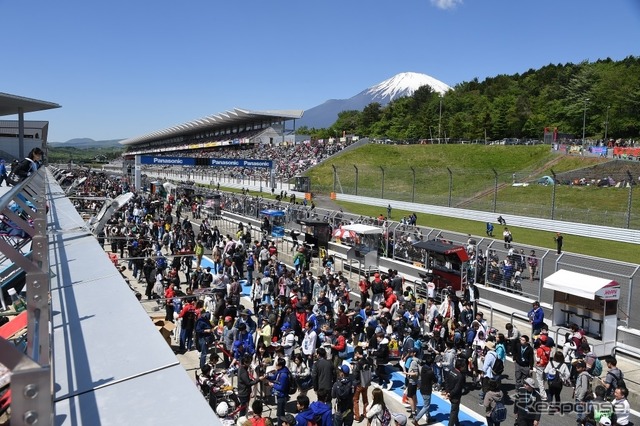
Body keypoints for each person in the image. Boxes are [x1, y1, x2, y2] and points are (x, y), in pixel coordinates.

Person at [266, 358, 290, 426]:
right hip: (279, 394)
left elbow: (281, 387)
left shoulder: (284, 375)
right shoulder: (280, 371)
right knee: (280, 412)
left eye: (276, 364)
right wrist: (267, 377)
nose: (275, 365)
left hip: (282, 396)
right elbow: (274, 377)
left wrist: (273, 385)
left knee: (280, 413)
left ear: (280, 366)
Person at [442, 358, 465, 426]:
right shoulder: (460, 376)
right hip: (455, 396)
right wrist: (450, 394)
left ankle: (457, 423)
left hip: (449, 392)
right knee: (454, 411)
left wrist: (447, 391)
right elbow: (457, 388)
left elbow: (446, 381)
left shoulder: (450, 370)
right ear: (460, 366)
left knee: (455, 410)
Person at [413, 353, 435, 426]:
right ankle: (416, 419)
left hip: (422, 388)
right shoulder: (430, 372)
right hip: (427, 389)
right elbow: (436, 380)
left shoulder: (423, 368)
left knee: (426, 404)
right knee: (426, 406)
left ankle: (429, 418)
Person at [351, 346, 371, 422]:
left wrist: (353, 367)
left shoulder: (358, 363)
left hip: (358, 384)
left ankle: (357, 416)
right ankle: (365, 413)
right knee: (365, 399)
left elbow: (355, 375)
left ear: (357, 353)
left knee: (355, 400)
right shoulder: (367, 360)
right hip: (365, 383)